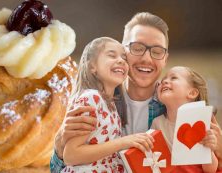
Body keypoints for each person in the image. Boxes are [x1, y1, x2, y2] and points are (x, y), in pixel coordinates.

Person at [50, 12, 169, 173]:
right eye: (137, 48)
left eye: (157, 51)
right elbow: (68, 160)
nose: (147, 58)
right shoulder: (93, 100)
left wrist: (215, 150)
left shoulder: (173, 105)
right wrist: (59, 145)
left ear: (165, 58)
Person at [60, 37, 154, 173]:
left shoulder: (111, 104)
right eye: (111, 55)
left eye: (124, 58)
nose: (121, 60)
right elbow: (71, 155)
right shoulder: (91, 98)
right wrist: (124, 142)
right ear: (92, 66)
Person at [151, 66, 218, 173]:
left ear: (192, 93)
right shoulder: (157, 123)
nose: (164, 82)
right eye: (163, 80)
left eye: (173, 78)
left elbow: (211, 170)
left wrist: (208, 151)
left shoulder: (202, 123)